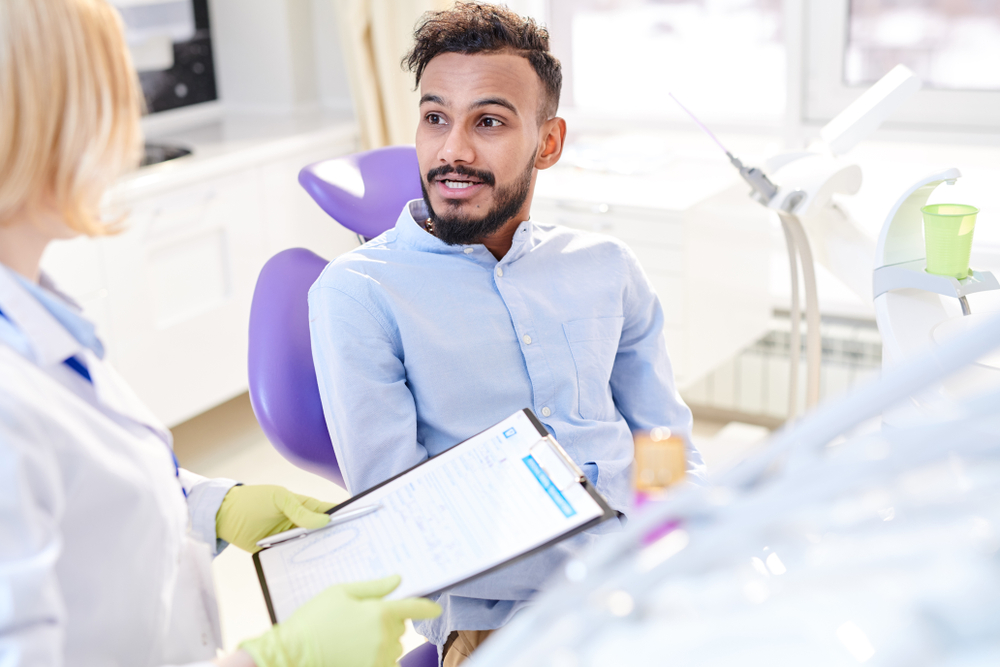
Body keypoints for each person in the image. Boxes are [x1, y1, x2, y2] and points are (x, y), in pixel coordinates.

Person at [0, 1, 440, 666]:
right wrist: (275, 660)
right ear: (40, 115)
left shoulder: (37, 314)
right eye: (107, 89)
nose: (127, 119)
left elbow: (84, 505)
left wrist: (211, 505)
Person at [308, 3, 705, 664]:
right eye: (435, 118)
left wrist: (683, 546)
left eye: (487, 121)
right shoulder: (359, 293)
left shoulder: (606, 266)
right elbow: (403, 522)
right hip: (509, 623)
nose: (452, 150)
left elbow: (665, 443)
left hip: (653, 582)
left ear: (548, 142)